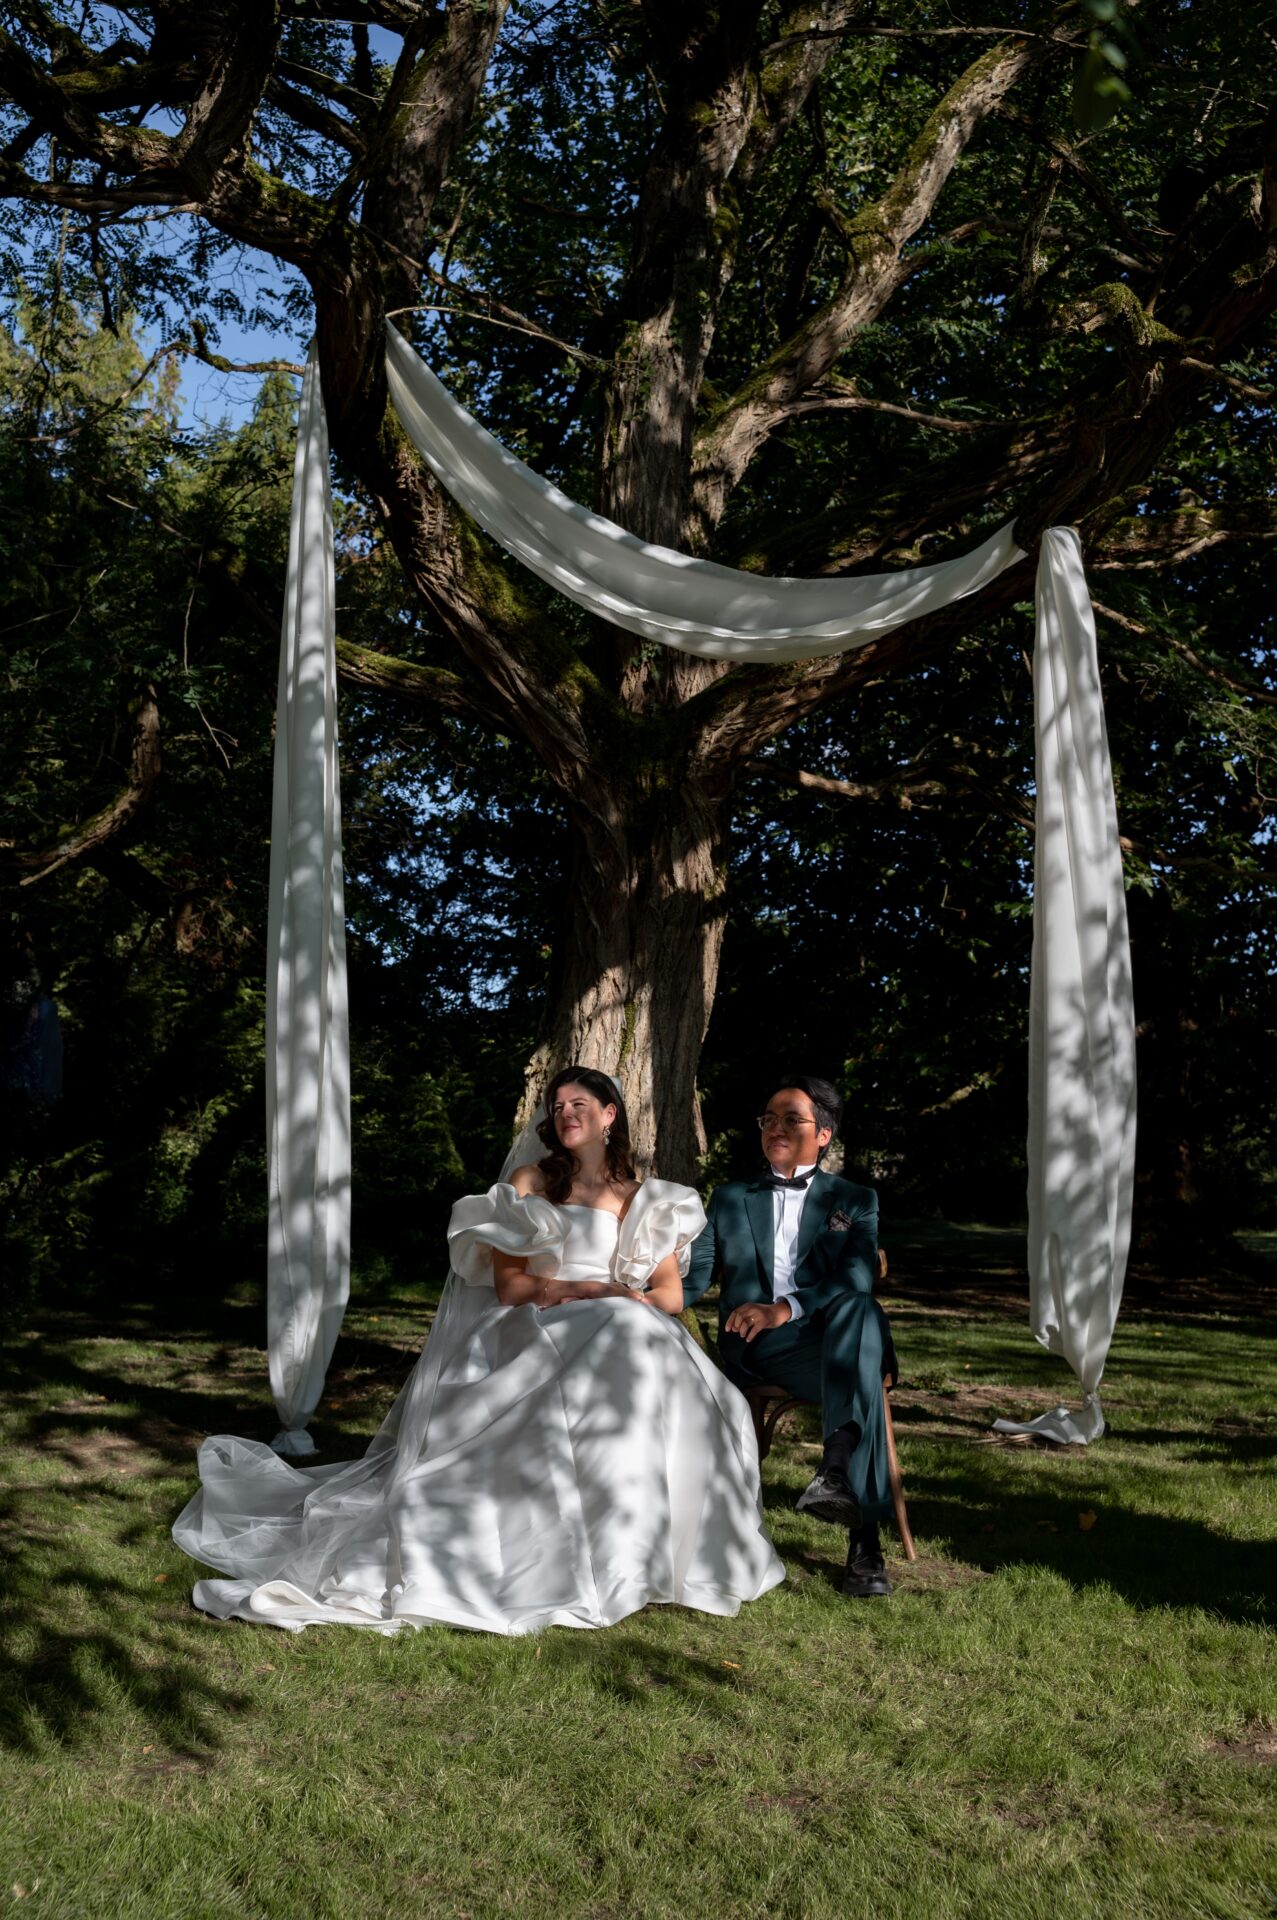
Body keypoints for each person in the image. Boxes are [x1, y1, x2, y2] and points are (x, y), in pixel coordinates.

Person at [173, 1066, 783, 1634]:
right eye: (557, 1106)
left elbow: (672, 1294)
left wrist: (634, 1302)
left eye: (579, 1104)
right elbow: (511, 1287)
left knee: (682, 1372)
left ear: (610, 1115)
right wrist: (590, 1289)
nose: (566, 1114)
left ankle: (653, 1553)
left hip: (625, 1321)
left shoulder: (650, 1197)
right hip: (540, 1317)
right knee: (616, 1340)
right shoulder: (529, 1184)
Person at [683, 1074, 898, 1599]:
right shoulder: (731, 1198)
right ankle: (861, 1533)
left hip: (828, 1336)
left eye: (791, 1119)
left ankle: (838, 1478)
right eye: (769, 1119)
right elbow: (696, 1276)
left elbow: (856, 1275)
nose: (776, 1127)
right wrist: (635, 1294)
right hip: (759, 1348)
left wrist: (788, 1306)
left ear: (823, 1134)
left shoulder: (855, 1199)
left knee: (858, 1311)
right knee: (861, 1365)